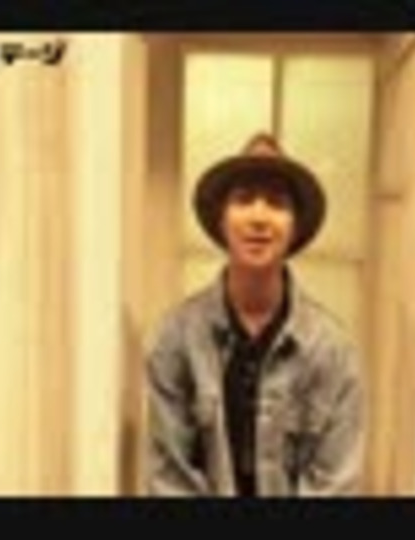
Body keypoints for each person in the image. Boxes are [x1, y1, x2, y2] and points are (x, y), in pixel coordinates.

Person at [145, 132, 365, 497]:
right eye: (244, 199)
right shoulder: (176, 339)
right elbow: (169, 479)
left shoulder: (333, 351)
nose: (259, 217)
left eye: (276, 202)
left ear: (295, 226)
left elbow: (336, 485)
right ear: (221, 219)